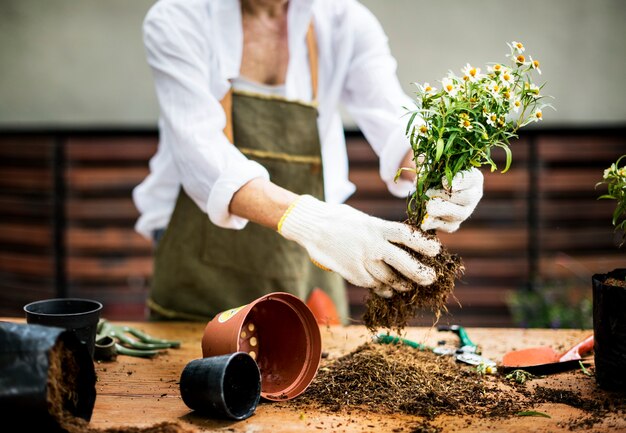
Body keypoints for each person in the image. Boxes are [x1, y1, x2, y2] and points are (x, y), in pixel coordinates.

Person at [132, 0, 484, 323]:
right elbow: (202, 154)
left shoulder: (344, 22)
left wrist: (440, 163)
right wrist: (317, 224)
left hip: (308, 258)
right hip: (200, 260)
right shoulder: (179, 18)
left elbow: (393, 117)